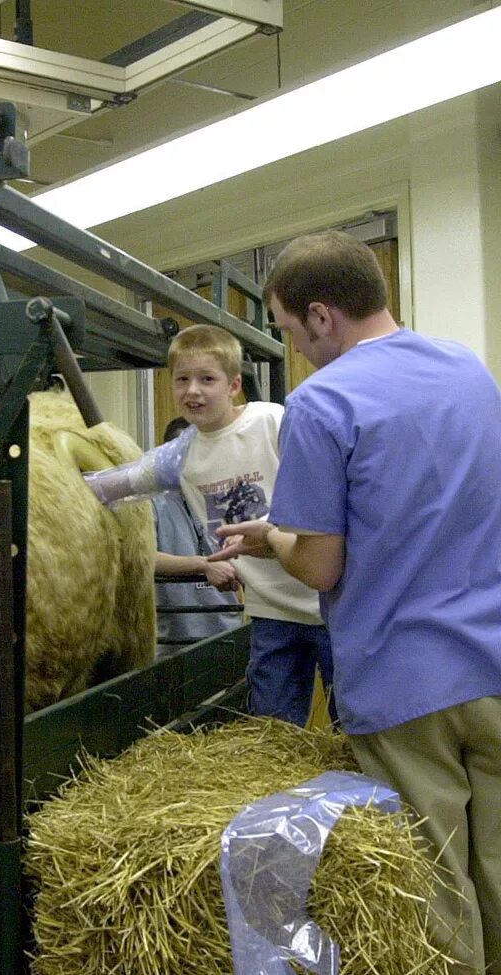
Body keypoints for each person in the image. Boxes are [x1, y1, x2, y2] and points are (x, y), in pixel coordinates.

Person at [211, 230, 501, 973]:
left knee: (436, 889)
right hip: (495, 661)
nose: (296, 349)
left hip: (407, 686)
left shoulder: (323, 400)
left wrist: (272, 538)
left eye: (287, 330)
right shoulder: (470, 369)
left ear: (321, 315)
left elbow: (320, 563)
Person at [167, 324, 336, 726]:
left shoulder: (271, 420)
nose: (193, 391)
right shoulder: (178, 455)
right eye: (182, 380)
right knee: (271, 728)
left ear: (234, 384)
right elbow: (117, 482)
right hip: (270, 607)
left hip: (328, 600)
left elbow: (320, 487)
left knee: (354, 720)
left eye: (207, 379)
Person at [150, 416, 243, 659]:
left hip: (227, 635)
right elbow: (144, 559)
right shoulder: (151, 502)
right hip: (174, 642)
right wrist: (202, 565)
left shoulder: (227, 497)